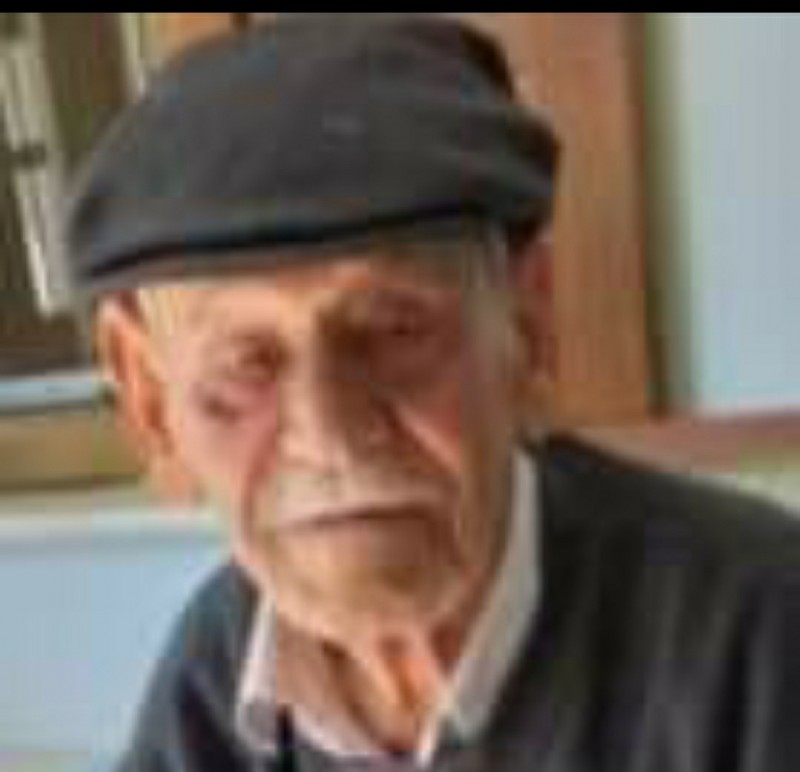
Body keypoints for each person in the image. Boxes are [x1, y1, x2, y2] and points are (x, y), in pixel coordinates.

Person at [65, 14, 800, 772]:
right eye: (246, 361)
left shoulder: (762, 628)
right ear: (149, 396)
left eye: (394, 329)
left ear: (526, 322)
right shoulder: (211, 669)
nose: (329, 433)